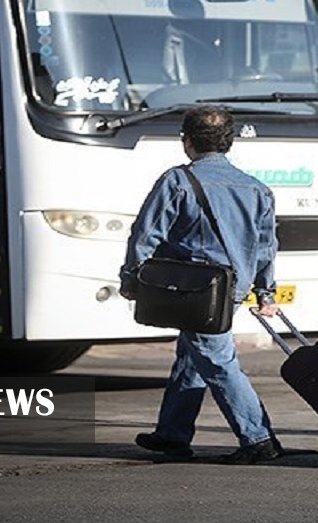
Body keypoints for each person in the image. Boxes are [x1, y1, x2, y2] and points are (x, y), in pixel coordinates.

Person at [120, 105, 284, 464]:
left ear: (187, 141)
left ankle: (258, 439)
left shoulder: (177, 181)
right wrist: (266, 292)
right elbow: (266, 246)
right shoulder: (257, 189)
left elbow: (146, 234)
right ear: (229, 142)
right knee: (192, 358)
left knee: (217, 361)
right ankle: (171, 435)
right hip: (232, 289)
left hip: (194, 290)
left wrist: (132, 278)